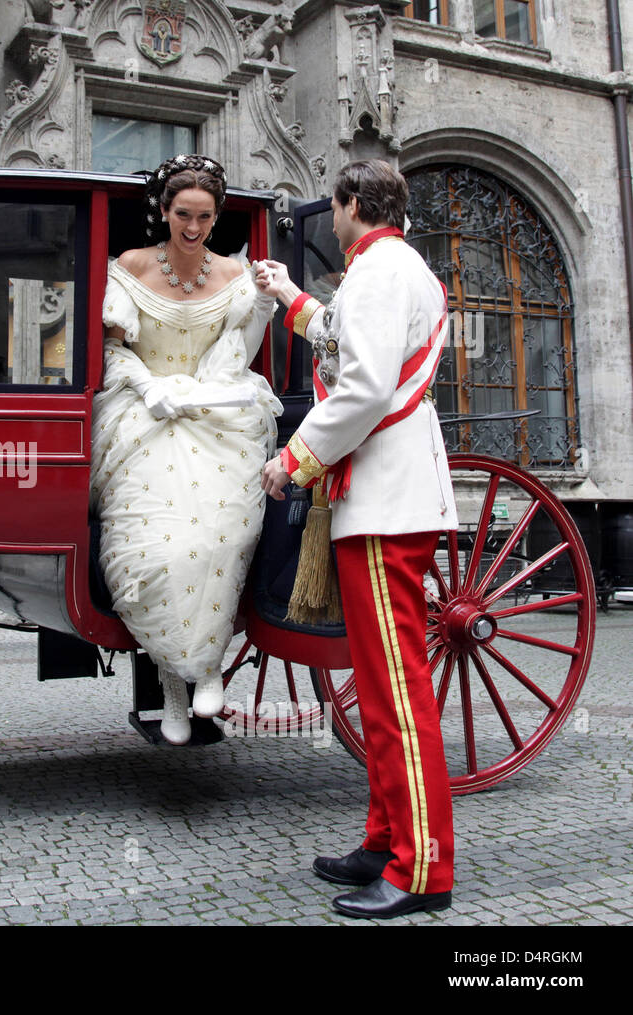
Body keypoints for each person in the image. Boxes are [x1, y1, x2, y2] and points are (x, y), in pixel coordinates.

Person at [256, 158, 457, 919]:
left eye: (333, 209)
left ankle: (421, 871)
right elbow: (348, 342)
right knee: (378, 688)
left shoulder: (376, 269)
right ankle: (384, 841)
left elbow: (363, 385)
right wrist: (290, 298)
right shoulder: (398, 267)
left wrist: (295, 459)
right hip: (388, 494)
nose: (330, 223)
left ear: (348, 206)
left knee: (397, 692)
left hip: (383, 499)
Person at [91, 155, 281, 746]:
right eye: (182, 216)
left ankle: (207, 666)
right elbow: (112, 351)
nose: (193, 229)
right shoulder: (131, 266)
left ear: (217, 216)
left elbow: (239, 354)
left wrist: (269, 305)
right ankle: (176, 687)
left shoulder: (233, 277)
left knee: (222, 533)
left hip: (215, 412)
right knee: (156, 549)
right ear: (165, 212)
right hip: (140, 412)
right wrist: (148, 387)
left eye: (203, 217)